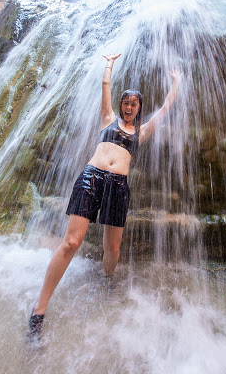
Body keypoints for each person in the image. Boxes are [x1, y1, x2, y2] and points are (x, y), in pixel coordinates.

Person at [28, 53, 181, 338]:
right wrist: (109, 65)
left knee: (112, 248)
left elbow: (164, 110)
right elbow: (105, 87)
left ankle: (108, 280)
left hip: (119, 186)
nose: (129, 106)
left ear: (139, 108)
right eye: (126, 102)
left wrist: (175, 84)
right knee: (72, 241)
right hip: (92, 177)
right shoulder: (108, 119)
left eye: (134, 103)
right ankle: (39, 309)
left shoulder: (141, 132)